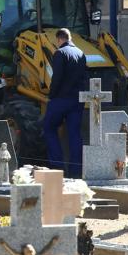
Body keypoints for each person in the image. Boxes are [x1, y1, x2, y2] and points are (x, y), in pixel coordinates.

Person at [43, 28, 87, 177]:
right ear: (70, 38)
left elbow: (57, 78)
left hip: (61, 99)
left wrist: (51, 95)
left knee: (49, 128)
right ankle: (76, 171)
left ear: (59, 39)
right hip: (77, 100)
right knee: (74, 133)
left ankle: (57, 168)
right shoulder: (81, 53)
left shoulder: (60, 53)